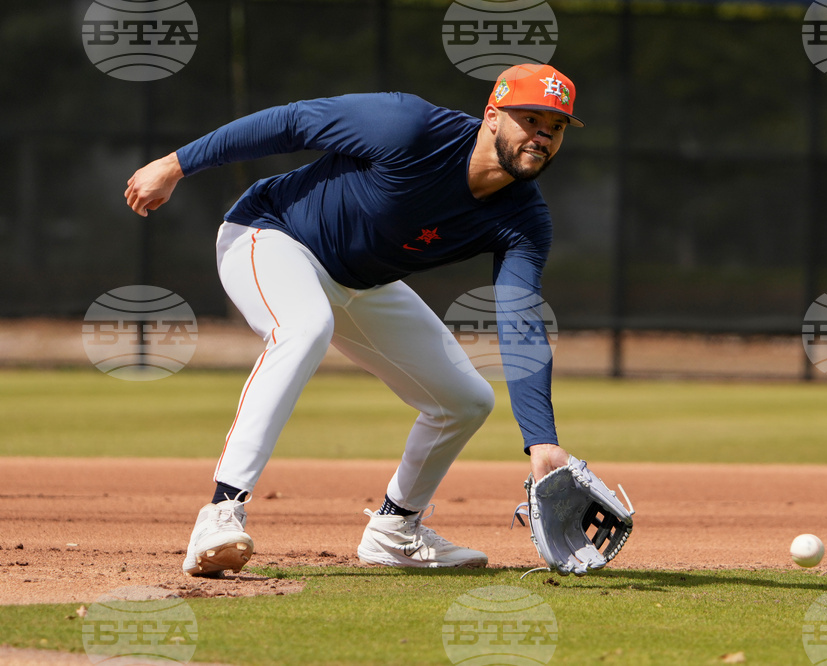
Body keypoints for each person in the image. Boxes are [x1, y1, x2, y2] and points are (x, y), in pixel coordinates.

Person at [124, 63, 582, 575]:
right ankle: (221, 512)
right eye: (531, 118)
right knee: (305, 327)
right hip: (269, 236)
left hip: (361, 283)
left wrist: (541, 440)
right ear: (492, 116)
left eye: (556, 125)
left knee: (466, 400)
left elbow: (519, 319)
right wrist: (175, 164)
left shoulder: (524, 219)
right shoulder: (409, 127)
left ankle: (395, 528)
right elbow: (292, 122)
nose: (543, 134)